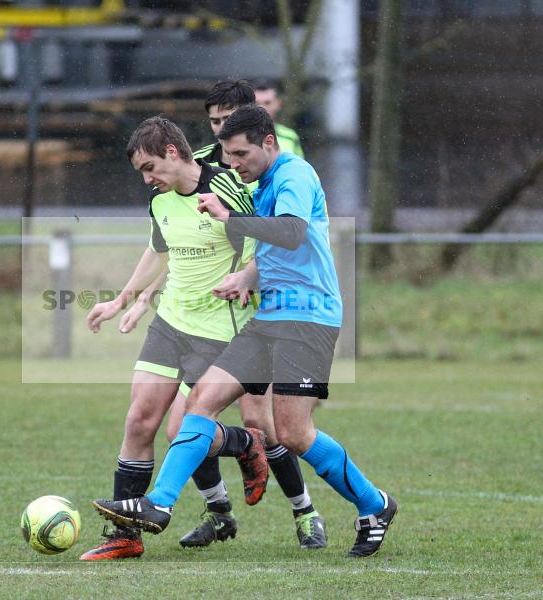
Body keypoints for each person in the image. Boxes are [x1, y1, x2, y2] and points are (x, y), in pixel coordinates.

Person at [94, 106, 397, 558]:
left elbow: (292, 233)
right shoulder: (257, 182)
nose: (234, 163)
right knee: (202, 402)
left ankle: (375, 506)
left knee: (293, 433)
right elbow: (252, 247)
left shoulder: (294, 174)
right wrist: (244, 277)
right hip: (266, 317)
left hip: (308, 316)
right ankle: (158, 504)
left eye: (241, 154)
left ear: (269, 144)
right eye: (229, 154)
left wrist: (227, 219)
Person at [117, 79, 328, 551]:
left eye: (227, 122)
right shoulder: (200, 167)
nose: (218, 132)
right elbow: (183, 250)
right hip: (194, 317)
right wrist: (140, 297)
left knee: (265, 425)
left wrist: (250, 277)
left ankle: (305, 512)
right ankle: (219, 513)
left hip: (253, 316)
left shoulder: (264, 167)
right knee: (185, 425)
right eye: (213, 122)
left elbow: (275, 234)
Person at [78, 116, 270, 560]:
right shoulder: (160, 202)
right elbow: (158, 250)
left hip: (221, 328)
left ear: (170, 152)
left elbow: (267, 242)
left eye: (149, 168)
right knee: (139, 420)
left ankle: (245, 443)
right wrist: (122, 301)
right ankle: (125, 534)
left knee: (181, 428)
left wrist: (247, 277)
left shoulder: (227, 186)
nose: (147, 179)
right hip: (171, 323)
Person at [253, 78, 305, 158]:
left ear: (278, 104)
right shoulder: (237, 137)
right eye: (257, 103)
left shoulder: (290, 137)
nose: (261, 108)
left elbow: (301, 168)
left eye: (267, 103)